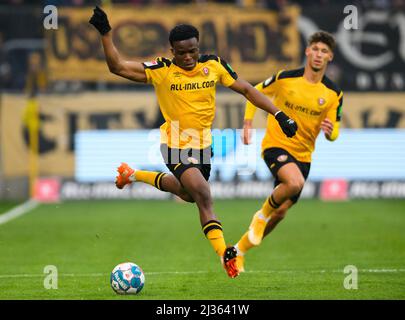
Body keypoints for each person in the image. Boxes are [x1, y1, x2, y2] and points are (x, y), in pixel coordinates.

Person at [89, 6, 298, 278]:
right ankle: (226, 254)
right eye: (182, 52)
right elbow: (116, 66)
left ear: (198, 48)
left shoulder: (213, 65)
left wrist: (279, 114)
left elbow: (247, 89)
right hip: (174, 143)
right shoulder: (161, 70)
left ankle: (133, 174)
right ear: (171, 50)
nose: (188, 57)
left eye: (192, 51)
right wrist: (106, 33)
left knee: (188, 194)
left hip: (203, 146)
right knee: (203, 194)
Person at [233, 30, 343, 272]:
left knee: (280, 213)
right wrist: (248, 122)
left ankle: (237, 251)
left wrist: (330, 132)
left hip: (304, 156)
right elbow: (252, 92)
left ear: (330, 57)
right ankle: (260, 216)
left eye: (324, 51)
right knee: (294, 183)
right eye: (315, 49)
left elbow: (335, 130)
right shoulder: (285, 78)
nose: (318, 55)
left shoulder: (333, 93)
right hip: (276, 145)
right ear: (307, 51)